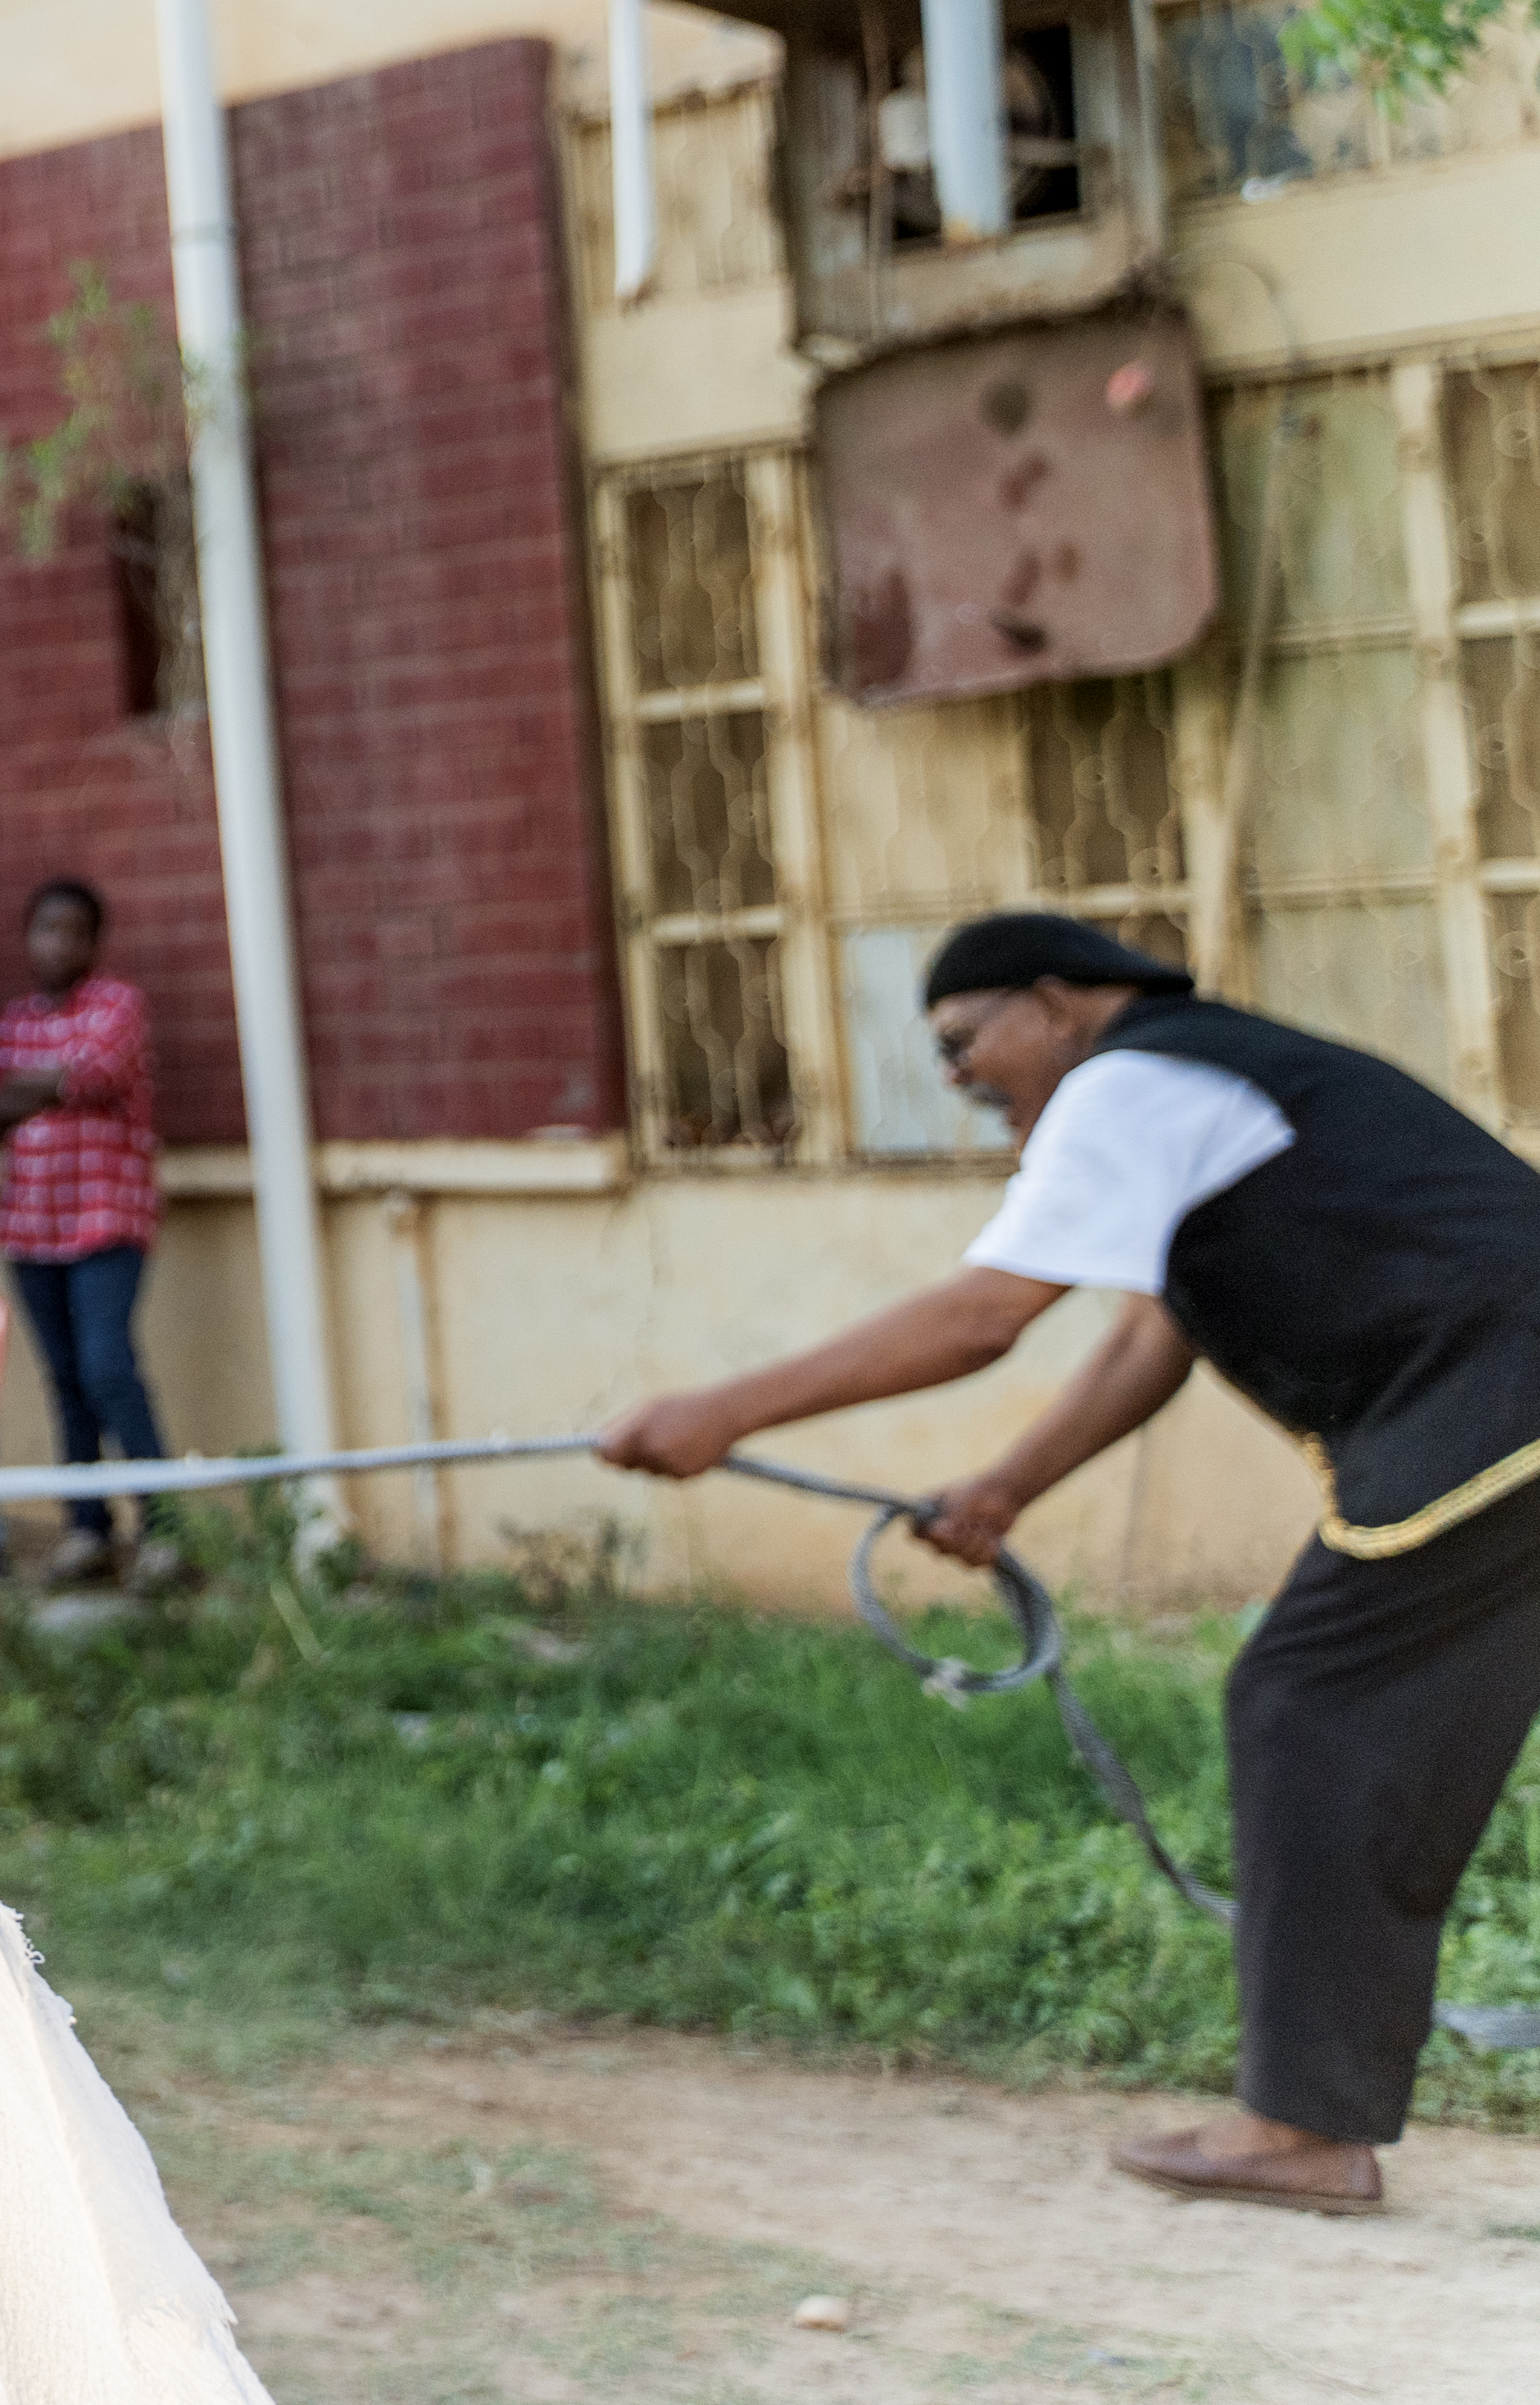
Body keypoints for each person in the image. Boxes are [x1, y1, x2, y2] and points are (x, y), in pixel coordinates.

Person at [597, 913, 1540, 2215]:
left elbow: (985, 1313)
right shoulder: (1200, 1080)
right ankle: (1310, 2111)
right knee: (1351, 1719)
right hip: (1497, 1407)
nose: (955, 1075)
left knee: (1308, 1707)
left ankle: (1303, 2131)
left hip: (1493, 1405)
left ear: (1052, 1002)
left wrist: (722, 1411)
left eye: (961, 1038)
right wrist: (1005, 1486)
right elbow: (1152, 1332)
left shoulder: (1126, 1080)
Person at [0, 880, 170, 1587]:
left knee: (109, 1366)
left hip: (107, 1214)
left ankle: (164, 1526)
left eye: (75, 931)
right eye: (47, 929)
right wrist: (41, 1085)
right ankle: (88, 1529)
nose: (60, 944)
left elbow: (91, 1074)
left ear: (94, 941)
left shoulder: (118, 1004)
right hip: (31, 1223)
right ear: (29, 938)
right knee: (66, 1379)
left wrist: (31, 1089)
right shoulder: (15, 1018)